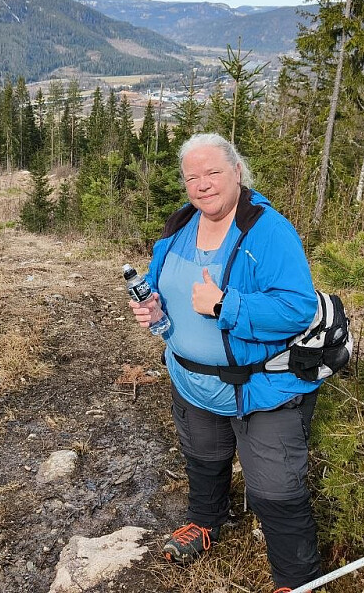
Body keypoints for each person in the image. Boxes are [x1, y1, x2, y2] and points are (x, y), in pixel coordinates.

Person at [129, 133, 321, 592]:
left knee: (277, 490)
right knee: (203, 458)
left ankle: (296, 580)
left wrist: (225, 307)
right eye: (192, 176)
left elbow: (299, 307)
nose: (203, 184)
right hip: (191, 382)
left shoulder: (268, 230)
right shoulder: (178, 227)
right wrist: (154, 311)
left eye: (213, 172)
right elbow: (160, 289)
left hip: (263, 390)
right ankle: (207, 521)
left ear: (237, 171)